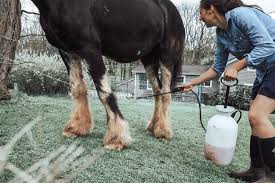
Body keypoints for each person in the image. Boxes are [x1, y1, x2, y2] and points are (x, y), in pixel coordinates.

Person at [181, 0, 275, 182]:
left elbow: (268, 46)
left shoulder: (241, 15)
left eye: (200, 12)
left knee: (257, 116)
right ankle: (257, 170)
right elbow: (217, 68)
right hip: (264, 71)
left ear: (211, 9)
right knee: (253, 118)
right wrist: (193, 82)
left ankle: (272, 175)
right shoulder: (221, 34)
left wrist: (238, 66)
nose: (199, 18)